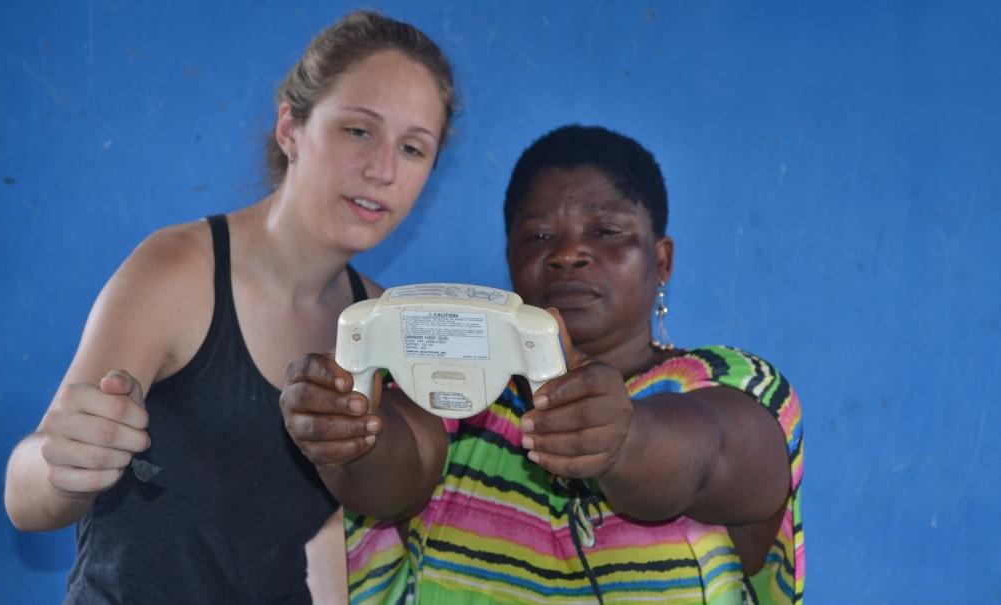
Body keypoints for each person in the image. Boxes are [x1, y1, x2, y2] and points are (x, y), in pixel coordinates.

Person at [2, 10, 456, 603]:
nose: (383, 170)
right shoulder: (178, 270)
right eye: (358, 131)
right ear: (290, 128)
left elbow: (327, 544)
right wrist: (66, 463)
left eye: (414, 148)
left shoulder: (385, 321)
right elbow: (25, 495)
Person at [281, 125, 804, 604]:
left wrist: (623, 439)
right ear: (510, 259)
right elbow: (394, 474)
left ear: (661, 259)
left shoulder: (729, 385)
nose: (569, 253)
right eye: (538, 236)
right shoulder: (458, 386)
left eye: (605, 231)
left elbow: (711, 455)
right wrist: (348, 433)